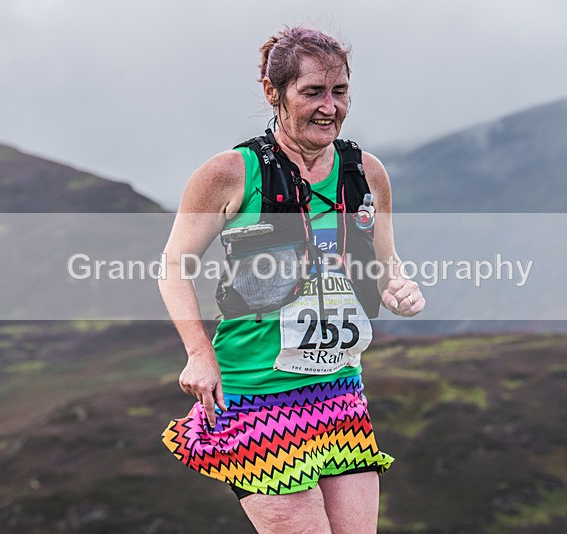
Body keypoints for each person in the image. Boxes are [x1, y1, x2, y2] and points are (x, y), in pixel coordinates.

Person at [159, 26, 424, 533]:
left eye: (340, 91)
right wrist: (198, 352)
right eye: (313, 92)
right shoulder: (230, 173)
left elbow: (387, 266)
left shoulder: (367, 172)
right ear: (272, 92)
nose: (330, 107)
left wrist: (401, 290)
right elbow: (173, 265)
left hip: (339, 390)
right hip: (255, 395)